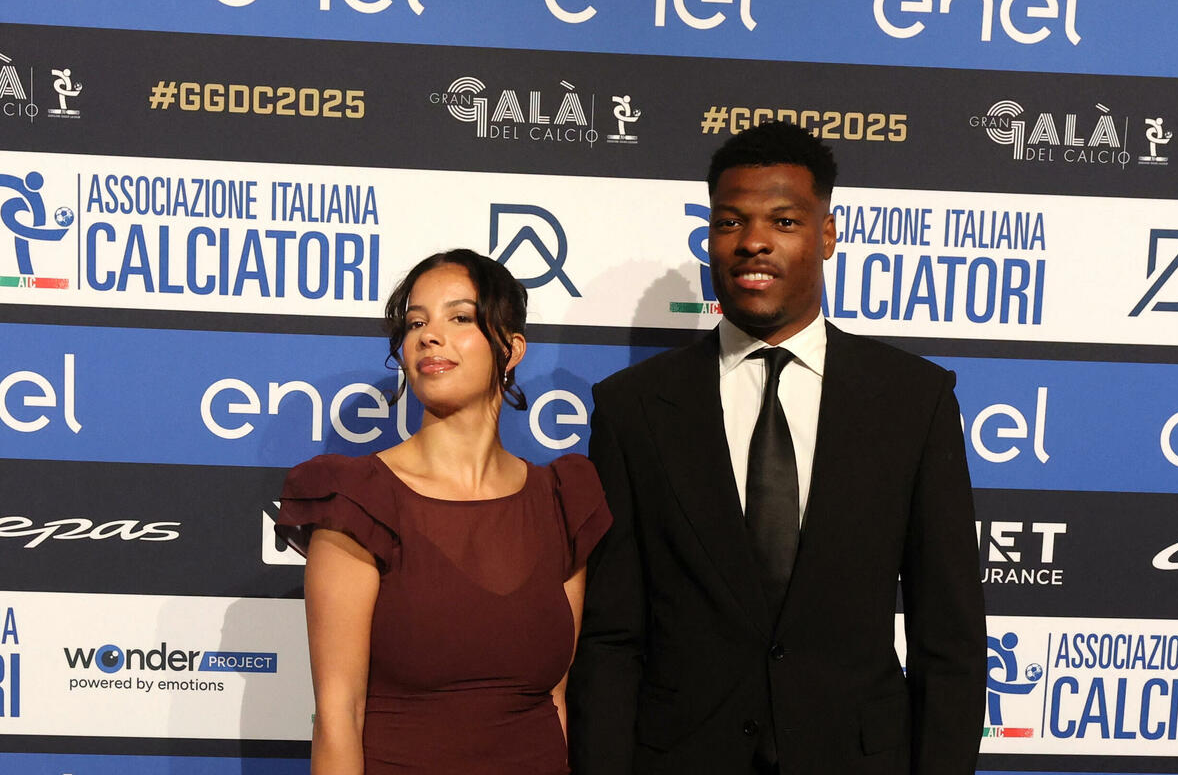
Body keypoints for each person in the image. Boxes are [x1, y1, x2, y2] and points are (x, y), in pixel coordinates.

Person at [568, 121, 986, 775]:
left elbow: (950, 638)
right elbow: (611, 639)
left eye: (784, 222)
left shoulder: (914, 400)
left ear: (828, 235)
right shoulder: (633, 408)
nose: (753, 241)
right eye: (729, 223)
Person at [276, 249, 612, 775]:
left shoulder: (562, 500)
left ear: (511, 348)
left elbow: (556, 702)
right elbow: (339, 717)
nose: (430, 336)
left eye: (460, 318)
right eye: (416, 323)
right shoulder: (360, 501)